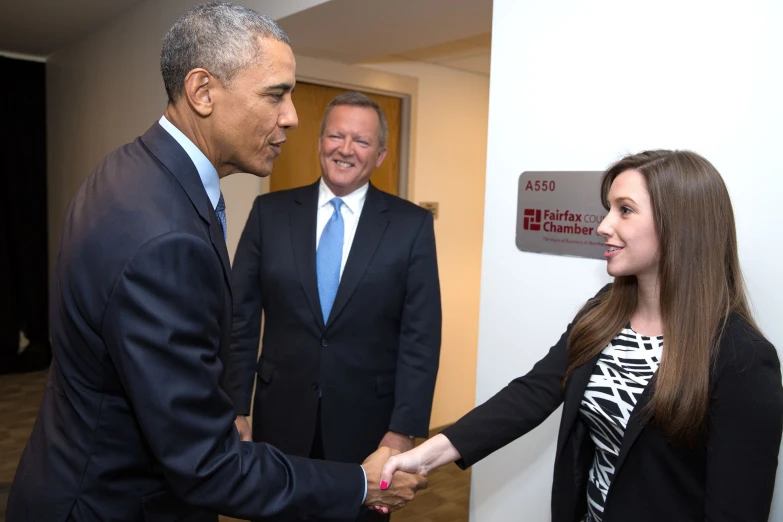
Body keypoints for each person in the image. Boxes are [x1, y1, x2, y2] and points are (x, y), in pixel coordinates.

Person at [6, 3, 426, 521]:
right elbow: (206, 465)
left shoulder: (130, 170)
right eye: (276, 94)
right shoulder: (164, 237)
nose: (293, 116)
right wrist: (358, 484)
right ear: (203, 92)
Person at [375, 150, 783, 522]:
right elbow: (531, 393)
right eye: (608, 209)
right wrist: (425, 456)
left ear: (681, 227)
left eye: (625, 211)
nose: (604, 226)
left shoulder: (742, 359)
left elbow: (736, 510)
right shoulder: (606, 310)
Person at [227, 92, 442, 520]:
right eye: (336, 136)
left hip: (368, 429)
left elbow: (421, 336)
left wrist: (401, 433)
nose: (345, 149)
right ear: (319, 142)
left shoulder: (410, 225)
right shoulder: (269, 213)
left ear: (380, 154)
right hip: (280, 419)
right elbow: (240, 320)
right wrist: (233, 409)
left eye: (360, 141)